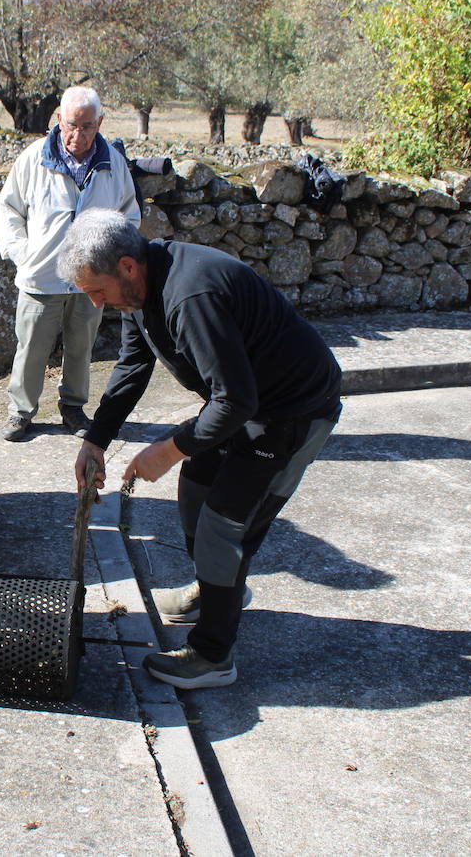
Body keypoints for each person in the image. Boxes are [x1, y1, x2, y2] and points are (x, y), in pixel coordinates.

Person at [61, 209, 342, 690]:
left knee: (224, 527)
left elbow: (237, 399)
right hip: (241, 404)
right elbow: (133, 365)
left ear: (127, 266)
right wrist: (96, 439)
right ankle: (216, 591)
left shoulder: (191, 294)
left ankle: (213, 656)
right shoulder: (138, 293)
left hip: (289, 414)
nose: (95, 302)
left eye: (97, 290)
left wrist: (169, 449)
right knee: (195, 492)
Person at [0, 85, 140, 442]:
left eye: (88, 126)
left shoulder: (113, 164)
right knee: (31, 346)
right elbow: (8, 210)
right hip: (41, 274)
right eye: (72, 125)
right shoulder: (33, 158)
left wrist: (111, 261)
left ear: (100, 122)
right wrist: (23, 252)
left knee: (81, 346)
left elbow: (128, 215)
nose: (79, 134)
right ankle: (21, 411)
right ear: (59, 119)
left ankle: (73, 409)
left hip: (92, 279)